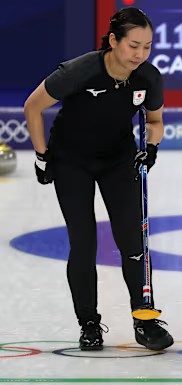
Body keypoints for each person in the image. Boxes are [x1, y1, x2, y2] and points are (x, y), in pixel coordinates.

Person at [23, 7, 173, 351]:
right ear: (113, 41)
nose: (140, 54)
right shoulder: (80, 71)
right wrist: (42, 156)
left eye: (147, 46)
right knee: (84, 242)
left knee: (133, 241)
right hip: (71, 161)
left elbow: (154, 121)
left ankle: (145, 320)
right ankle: (89, 323)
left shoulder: (148, 78)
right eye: (133, 45)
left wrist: (151, 147)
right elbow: (33, 106)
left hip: (118, 160)